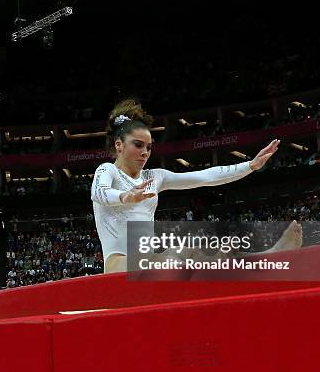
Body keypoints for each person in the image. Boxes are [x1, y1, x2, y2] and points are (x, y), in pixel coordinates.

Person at [91, 99, 302, 273]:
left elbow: (205, 177)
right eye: (138, 145)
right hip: (120, 266)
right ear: (119, 145)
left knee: (208, 251)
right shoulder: (108, 170)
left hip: (151, 262)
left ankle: (266, 258)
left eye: (149, 147)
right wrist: (125, 197)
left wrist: (250, 165)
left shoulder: (155, 177)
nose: (145, 152)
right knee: (182, 253)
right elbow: (99, 192)